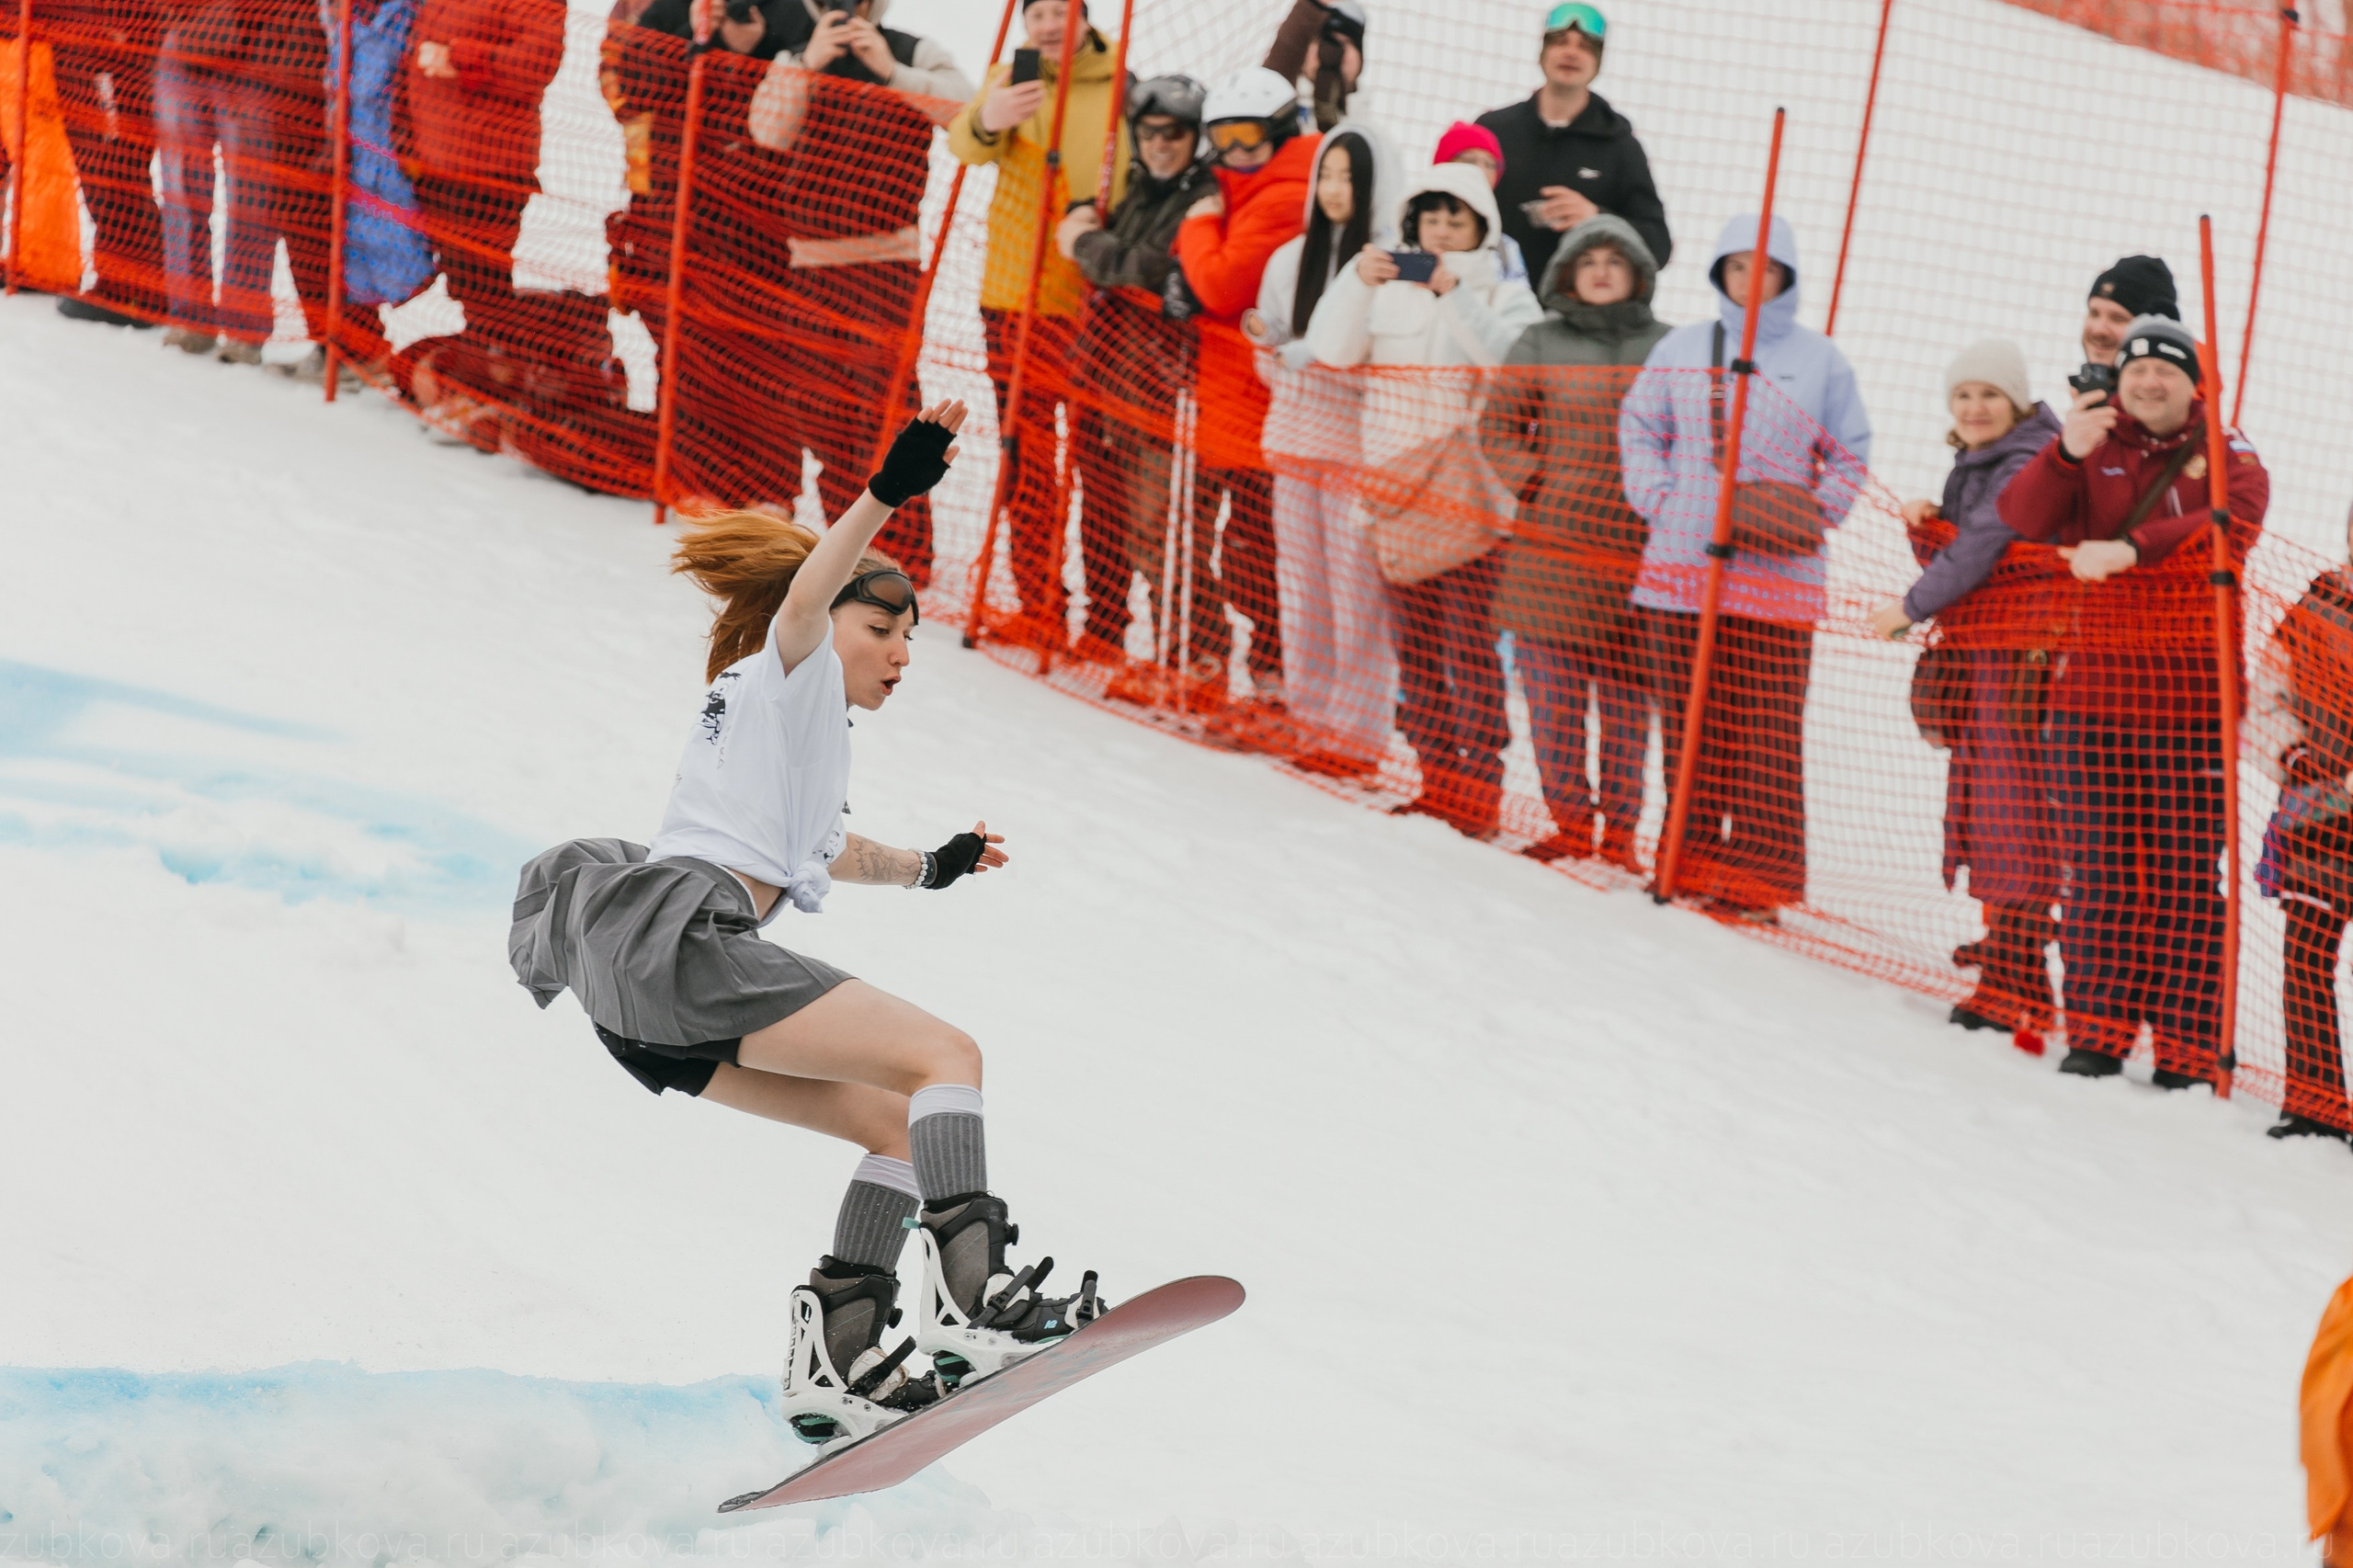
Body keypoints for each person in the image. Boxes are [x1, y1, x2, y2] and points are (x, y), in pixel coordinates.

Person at [507, 402, 1107, 1449]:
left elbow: (826, 849)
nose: (899, 653)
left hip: (640, 995)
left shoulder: (790, 732)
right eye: (881, 628)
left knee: (893, 1128)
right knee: (946, 1055)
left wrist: (930, 866)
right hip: (682, 938)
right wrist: (888, 491)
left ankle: (844, 1352)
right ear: (828, 624)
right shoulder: (788, 667)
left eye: (909, 637)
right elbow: (807, 599)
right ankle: (979, 1297)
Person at [2000, 315, 2268, 1086]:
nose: (2149, 382)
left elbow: (2235, 523)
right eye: (2137, 369)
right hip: (2091, 702)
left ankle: (2186, 1045)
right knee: (2103, 871)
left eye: (2168, 372)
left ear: (2196, 387)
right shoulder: (2091, 444)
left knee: (2186, 878)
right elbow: (2020, 519)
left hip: (2193, 707)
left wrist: (2133, 549)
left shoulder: (2227, 452)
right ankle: (2099, 1030)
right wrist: (2063, 454)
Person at [1619, 214, 1870, 919]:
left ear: (1785, 276)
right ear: (1719, 273)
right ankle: (1687, 859)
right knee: (1692, 726)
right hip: (1681, 572)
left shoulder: (1822, 360)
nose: (1748, 280)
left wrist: (1814, 515)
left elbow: (1850, 452)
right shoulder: (1682, 347)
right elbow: (1641, 425)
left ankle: (1761, 879)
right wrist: (1660, 498)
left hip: (1778, 583)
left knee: (1766, 733)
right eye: (1736, 266)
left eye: (1764, 268)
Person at [1306, 162, 1542, 837]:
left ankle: (1481, 794)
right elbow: (1331, 349)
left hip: (1468, 502)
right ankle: (1437, 779)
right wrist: (1357, 279)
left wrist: (1455, 295)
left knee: (1468, 647)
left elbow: (1513, 368)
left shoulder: (1502, 290)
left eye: (1456, 219)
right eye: (1430, 218)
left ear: (1480, 228)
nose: (1441, 230)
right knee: (1416, 647)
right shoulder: (1385, 289)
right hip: (1393, 496)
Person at [1867, 341, 2062, 1032]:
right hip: (1988, 661)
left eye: (1990, 395)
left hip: (2018, 669)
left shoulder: (2027, 461)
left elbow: (1984, 546)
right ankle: (2013, 961)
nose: (1975, 407)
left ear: (2016, 401)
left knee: (2013, 813)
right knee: (1989, 806)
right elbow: (1975, 559)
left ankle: (2019, 979)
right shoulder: (1981, 460)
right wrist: (1929, 530)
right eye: (1963, 395)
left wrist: (1909, 605)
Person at [747, 0, 972, 582]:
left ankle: (907, 558)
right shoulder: (799, 54)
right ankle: (848, 547)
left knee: (887, 410)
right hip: (812, 264)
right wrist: (806, 62)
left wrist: (892, 71)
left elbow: (964, 113)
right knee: (821, 412)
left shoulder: (911, 49)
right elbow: (767, 131)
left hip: (886, 263)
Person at [1482, 214, 1667, 867]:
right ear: (1566, 272)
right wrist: (1534, 482)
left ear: (1639, 275)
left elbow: (1703, 430)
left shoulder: (1670, 346)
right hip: (1550, 550)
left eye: (1616, 262)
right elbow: (1498, 425)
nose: (1601, 272)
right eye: (1589, 262)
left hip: (1639, 552)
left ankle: (1619, 834)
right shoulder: (1538, 341)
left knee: (1625, 706)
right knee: (1553, 699)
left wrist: (1674, 505)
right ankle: (1568, 822)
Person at [948, 0, 1127, 646]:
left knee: (1096, 463)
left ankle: (1107, 622)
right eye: (1038, 12)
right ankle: (1039, 603)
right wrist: (988, 119)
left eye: (1062, 11)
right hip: (1012, 297)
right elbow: (963, 143)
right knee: (1026, 455)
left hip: (1092, 302)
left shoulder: (1121, 85)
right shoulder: (1010, 76)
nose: (1049, 25)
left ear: (1086, 16)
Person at [1246, 119, 1398, 775]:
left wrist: (1314, 358)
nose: (1336, 189)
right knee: (1302, 584)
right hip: (1294, 441)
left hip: (1357, 452)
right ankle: (1310, 719)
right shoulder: (1291, 258)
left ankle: (1358, 735)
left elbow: (1386, 360)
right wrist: (1270, 343)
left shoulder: (1385, 262)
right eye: (1328, 174)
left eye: (1350, 176)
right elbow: (1269, 361)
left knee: (1356, 592)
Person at [1170, 65, 1320, 722]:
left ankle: (1274, 670)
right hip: (1228, 397)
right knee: (1230, 542)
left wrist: (1197, 228)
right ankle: (1251, 664)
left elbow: (1224, 285)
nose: (1235, 152)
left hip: (1257, 404)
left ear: (1283, 132)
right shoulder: (1253, 182)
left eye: (1249, 138)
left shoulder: (1284, 192)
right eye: (1223, 138)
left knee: (1256, 547)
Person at [1056, 74, 1215, 672]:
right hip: (1108, 377)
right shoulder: (1138, 191)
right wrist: (1090, 226)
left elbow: (1154, 268)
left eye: (1173, 133)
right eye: (1148, 133)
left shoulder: (1201, 196)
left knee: (1161, 529)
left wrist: (1084, 243)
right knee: (1110, 520)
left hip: (1161, 385)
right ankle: (1122, 633)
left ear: (1194, 137)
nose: (1159, 144)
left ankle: (1199, 653)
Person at [2246, 502, 2353, 1142]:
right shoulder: (2318, 605)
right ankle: (2314, 1102)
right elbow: (2265, 696)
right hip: (2319, 812)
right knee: (2307, 955)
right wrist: (2295, 757)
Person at [403, 0, 565, 357]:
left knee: (483, 283)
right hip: (435, 160)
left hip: (488, 165)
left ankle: (498, 366)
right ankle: (483, 362)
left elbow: (537, 62)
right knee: (463, 279)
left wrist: (459, 57)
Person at [1476, 2, 1669, 292]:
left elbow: (1658, 247)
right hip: (1490, 308)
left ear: (1598, 60)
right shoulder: (1492, 131)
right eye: (1560, 42)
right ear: (1542, 52)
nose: (1571, 53)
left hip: (1576, 323)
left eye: (1585, 46)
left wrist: (1596, 217)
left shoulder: (1619, 146)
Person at [153, 0, 275, 358]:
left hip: (254, 48)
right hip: (184, 42)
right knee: (180, 187)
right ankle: (189, 313)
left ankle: (245, 324)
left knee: (250, 195)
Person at [47, 0, 168, 324]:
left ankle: (139, 289)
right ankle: (116, 279)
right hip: (75, 46)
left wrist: (116, 31)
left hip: (114, 47)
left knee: (118, 164)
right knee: (94, 168)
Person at [1431, 119, 1527, 284]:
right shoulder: (1404, 233)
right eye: (1470, 161)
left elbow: (1519, 305)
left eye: (1490, 164)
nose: (1480, 170)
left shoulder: (1504, 250)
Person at [1260, 0, 1364, 131]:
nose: (1332, 54)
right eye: (1325, 42)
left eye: (1346, 43)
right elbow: (1279, 63)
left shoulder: (1369, 129)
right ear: (1302, 49)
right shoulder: (1278, 108)